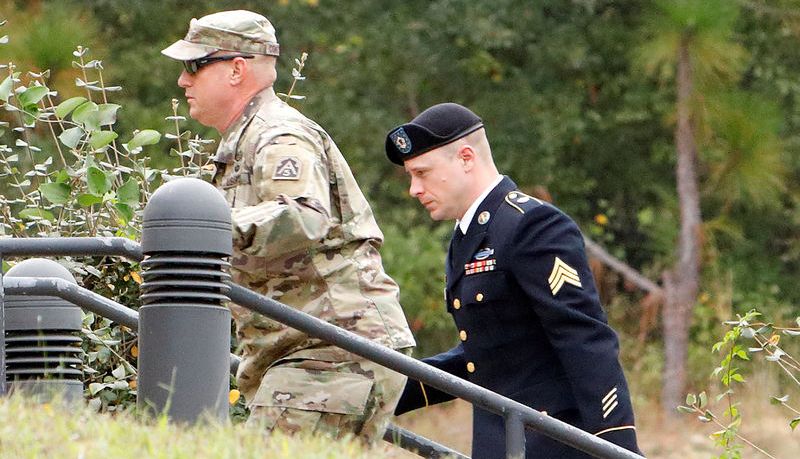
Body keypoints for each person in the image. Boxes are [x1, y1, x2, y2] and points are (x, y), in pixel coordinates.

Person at [161, 10, 415, 443]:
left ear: (236, 69)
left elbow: (303, 214)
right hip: (302, 351)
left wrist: (204, 228)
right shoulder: (243, 141)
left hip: (332, 350)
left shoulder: (278, 136)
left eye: (193, 66)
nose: (184, 81)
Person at [385, 103, 643, 458]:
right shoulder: (468, 236)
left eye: (422, 173)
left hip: (552, 442)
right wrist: (389, 388)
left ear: (465, 158)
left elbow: (585, 340)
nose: (414, 189)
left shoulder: (531, 225)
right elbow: (490, 350)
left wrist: (616, 445)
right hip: (502, 441)